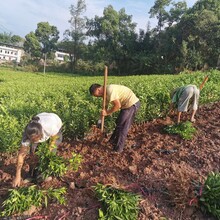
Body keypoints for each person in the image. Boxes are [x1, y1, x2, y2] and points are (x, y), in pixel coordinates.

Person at [12, 112, 63, 187]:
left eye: (36, 139)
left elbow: (53, 140)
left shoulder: (50, 127)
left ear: (40, 134)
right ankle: (32, 174)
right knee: (33, 153)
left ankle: (46, 173)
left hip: (55, 124)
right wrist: (17, 176)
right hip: (40, 124)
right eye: (32, 140)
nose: (34, 141)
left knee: (50, 154)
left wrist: (48, 151)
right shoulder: (27, 135)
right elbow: (21, 155)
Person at [89, 84, 140, 153]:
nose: (98, 97)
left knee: (123, 127)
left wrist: (107, 113)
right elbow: (105, 107)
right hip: (125, 106)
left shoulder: (110, 90)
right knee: (119, 123)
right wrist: (100, 120)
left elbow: (117, 105)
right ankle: (113, 141)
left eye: (97, 95)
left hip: (131, 104)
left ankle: (118, 149)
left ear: (98, 90)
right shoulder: (105, 95)